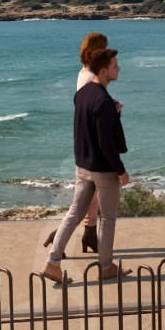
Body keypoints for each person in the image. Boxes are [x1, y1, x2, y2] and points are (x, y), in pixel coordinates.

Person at [39, 46, 129, 285]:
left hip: (83, 166)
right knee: (108, 219)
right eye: (114, 65)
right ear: (103, 70)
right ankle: (107, 267)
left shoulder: (83, 94)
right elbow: (106, 143)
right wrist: (120, 170)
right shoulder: (104, 102)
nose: (118, 68)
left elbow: (85, 130)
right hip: (103, 170)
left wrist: (113, 114)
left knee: (74, 214)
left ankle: (53, 262)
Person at [72, 32, 112, 255]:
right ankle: (58, 236)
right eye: (104, 49)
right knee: (86, 197)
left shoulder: (86, 73)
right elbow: (91, 106)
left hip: (87, 140)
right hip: (92, 142)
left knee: (90, 195)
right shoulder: (89, 77)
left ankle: (89, 233)